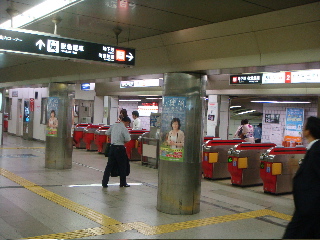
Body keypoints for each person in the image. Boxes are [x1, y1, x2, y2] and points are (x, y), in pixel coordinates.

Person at [283, 116, 320, 239]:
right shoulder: (313, 149)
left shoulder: (316, 151)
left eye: (304, 127)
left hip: (310, 207)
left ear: (308, 131)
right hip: (306, 207)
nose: (303, 129)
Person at [102, 116, 132, 188]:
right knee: (122, 166)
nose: (127, 125)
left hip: (112, 148)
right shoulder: (124, 128)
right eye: (128, 124)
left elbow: (107, 133)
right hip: (120, 148)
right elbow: (128, 139)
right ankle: (123, 183)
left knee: (109, 166)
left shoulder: (114, 125)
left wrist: (113, 138)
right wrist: (122, 141)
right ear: (127, 122)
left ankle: (104, 183)